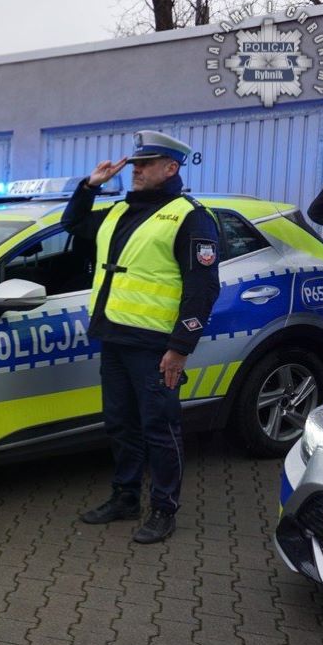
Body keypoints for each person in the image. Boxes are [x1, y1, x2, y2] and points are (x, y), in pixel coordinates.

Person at [61, 130, 220, 544]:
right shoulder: (118, 212)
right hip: (114, 338)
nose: (136, 171)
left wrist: (180, 348)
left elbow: (203, 288)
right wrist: (89, 186)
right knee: (120, 424)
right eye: (134, 165)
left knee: (160, 428)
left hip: (155, 346)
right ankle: (125, 498)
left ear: (171, 168)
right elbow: (73, 223)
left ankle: (164, 509)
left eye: (145, 165)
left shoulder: (190, 216)